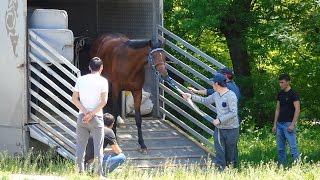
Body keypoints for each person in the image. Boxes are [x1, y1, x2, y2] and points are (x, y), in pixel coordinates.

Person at [182, 73, 239, 170]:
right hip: (219, 129)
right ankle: (220, 169)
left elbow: (233, 113)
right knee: (219, 150)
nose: (212, 85)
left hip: (232, 129)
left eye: (213, 83)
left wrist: (220, 120)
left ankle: (231, 170)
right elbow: (205, 101)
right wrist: (190, 97)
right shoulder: (216, 95)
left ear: (217, 84)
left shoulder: (231, 95)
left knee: (231, 151)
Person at [72, 57, 109, 176]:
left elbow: (74, 99)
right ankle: (99, 175)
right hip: (97, 117)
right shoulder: (103, 81)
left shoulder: (81, 79)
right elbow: (103, 101)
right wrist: (91, 114)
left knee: (80, 147)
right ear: (101, 68)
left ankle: (79, 174)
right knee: (98, 148)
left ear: (89, 67)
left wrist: (85, 113)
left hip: (82, 117)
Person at [272, 73, 300, 165]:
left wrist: (292, 124)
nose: (280, 84)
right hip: (279, 124)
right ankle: (282, 165)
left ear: (288, 82)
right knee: (280, 148)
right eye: (279, 82)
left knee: (293, 146)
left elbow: (297, 109)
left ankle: (297, 165)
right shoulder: (280, 94)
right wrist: (275, 124)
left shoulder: (294, 93)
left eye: (282, 82)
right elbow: (277, 109)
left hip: (288, 124)